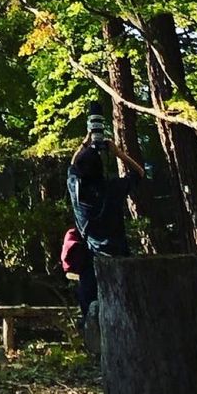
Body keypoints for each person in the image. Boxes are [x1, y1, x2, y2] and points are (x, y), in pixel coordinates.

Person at [67, 136, 144, 325]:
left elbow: (72, 166)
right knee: (123, 318)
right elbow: (139, 172)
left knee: (92, 320)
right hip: (119, 261)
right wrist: (118, 153)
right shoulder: (113, 188)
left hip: (91, 264)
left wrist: (85, 143)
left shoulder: (76, 190)